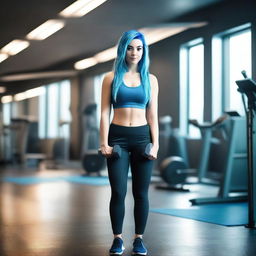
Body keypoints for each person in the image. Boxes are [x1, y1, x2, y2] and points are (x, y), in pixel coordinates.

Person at [100, 30, 159, 255]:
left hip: (142, 138)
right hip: (118, 139)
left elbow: (153, 113)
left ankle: (138, 239)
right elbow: (104, 113)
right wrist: (103, 143)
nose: (134, 52)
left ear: (143, 51)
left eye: (139, 48)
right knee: (118, 191)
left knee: (141, 193)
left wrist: (156, 144)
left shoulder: (150, 79)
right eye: (130, 48)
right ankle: (117, 239)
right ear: (123, 49)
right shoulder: (110, 78)